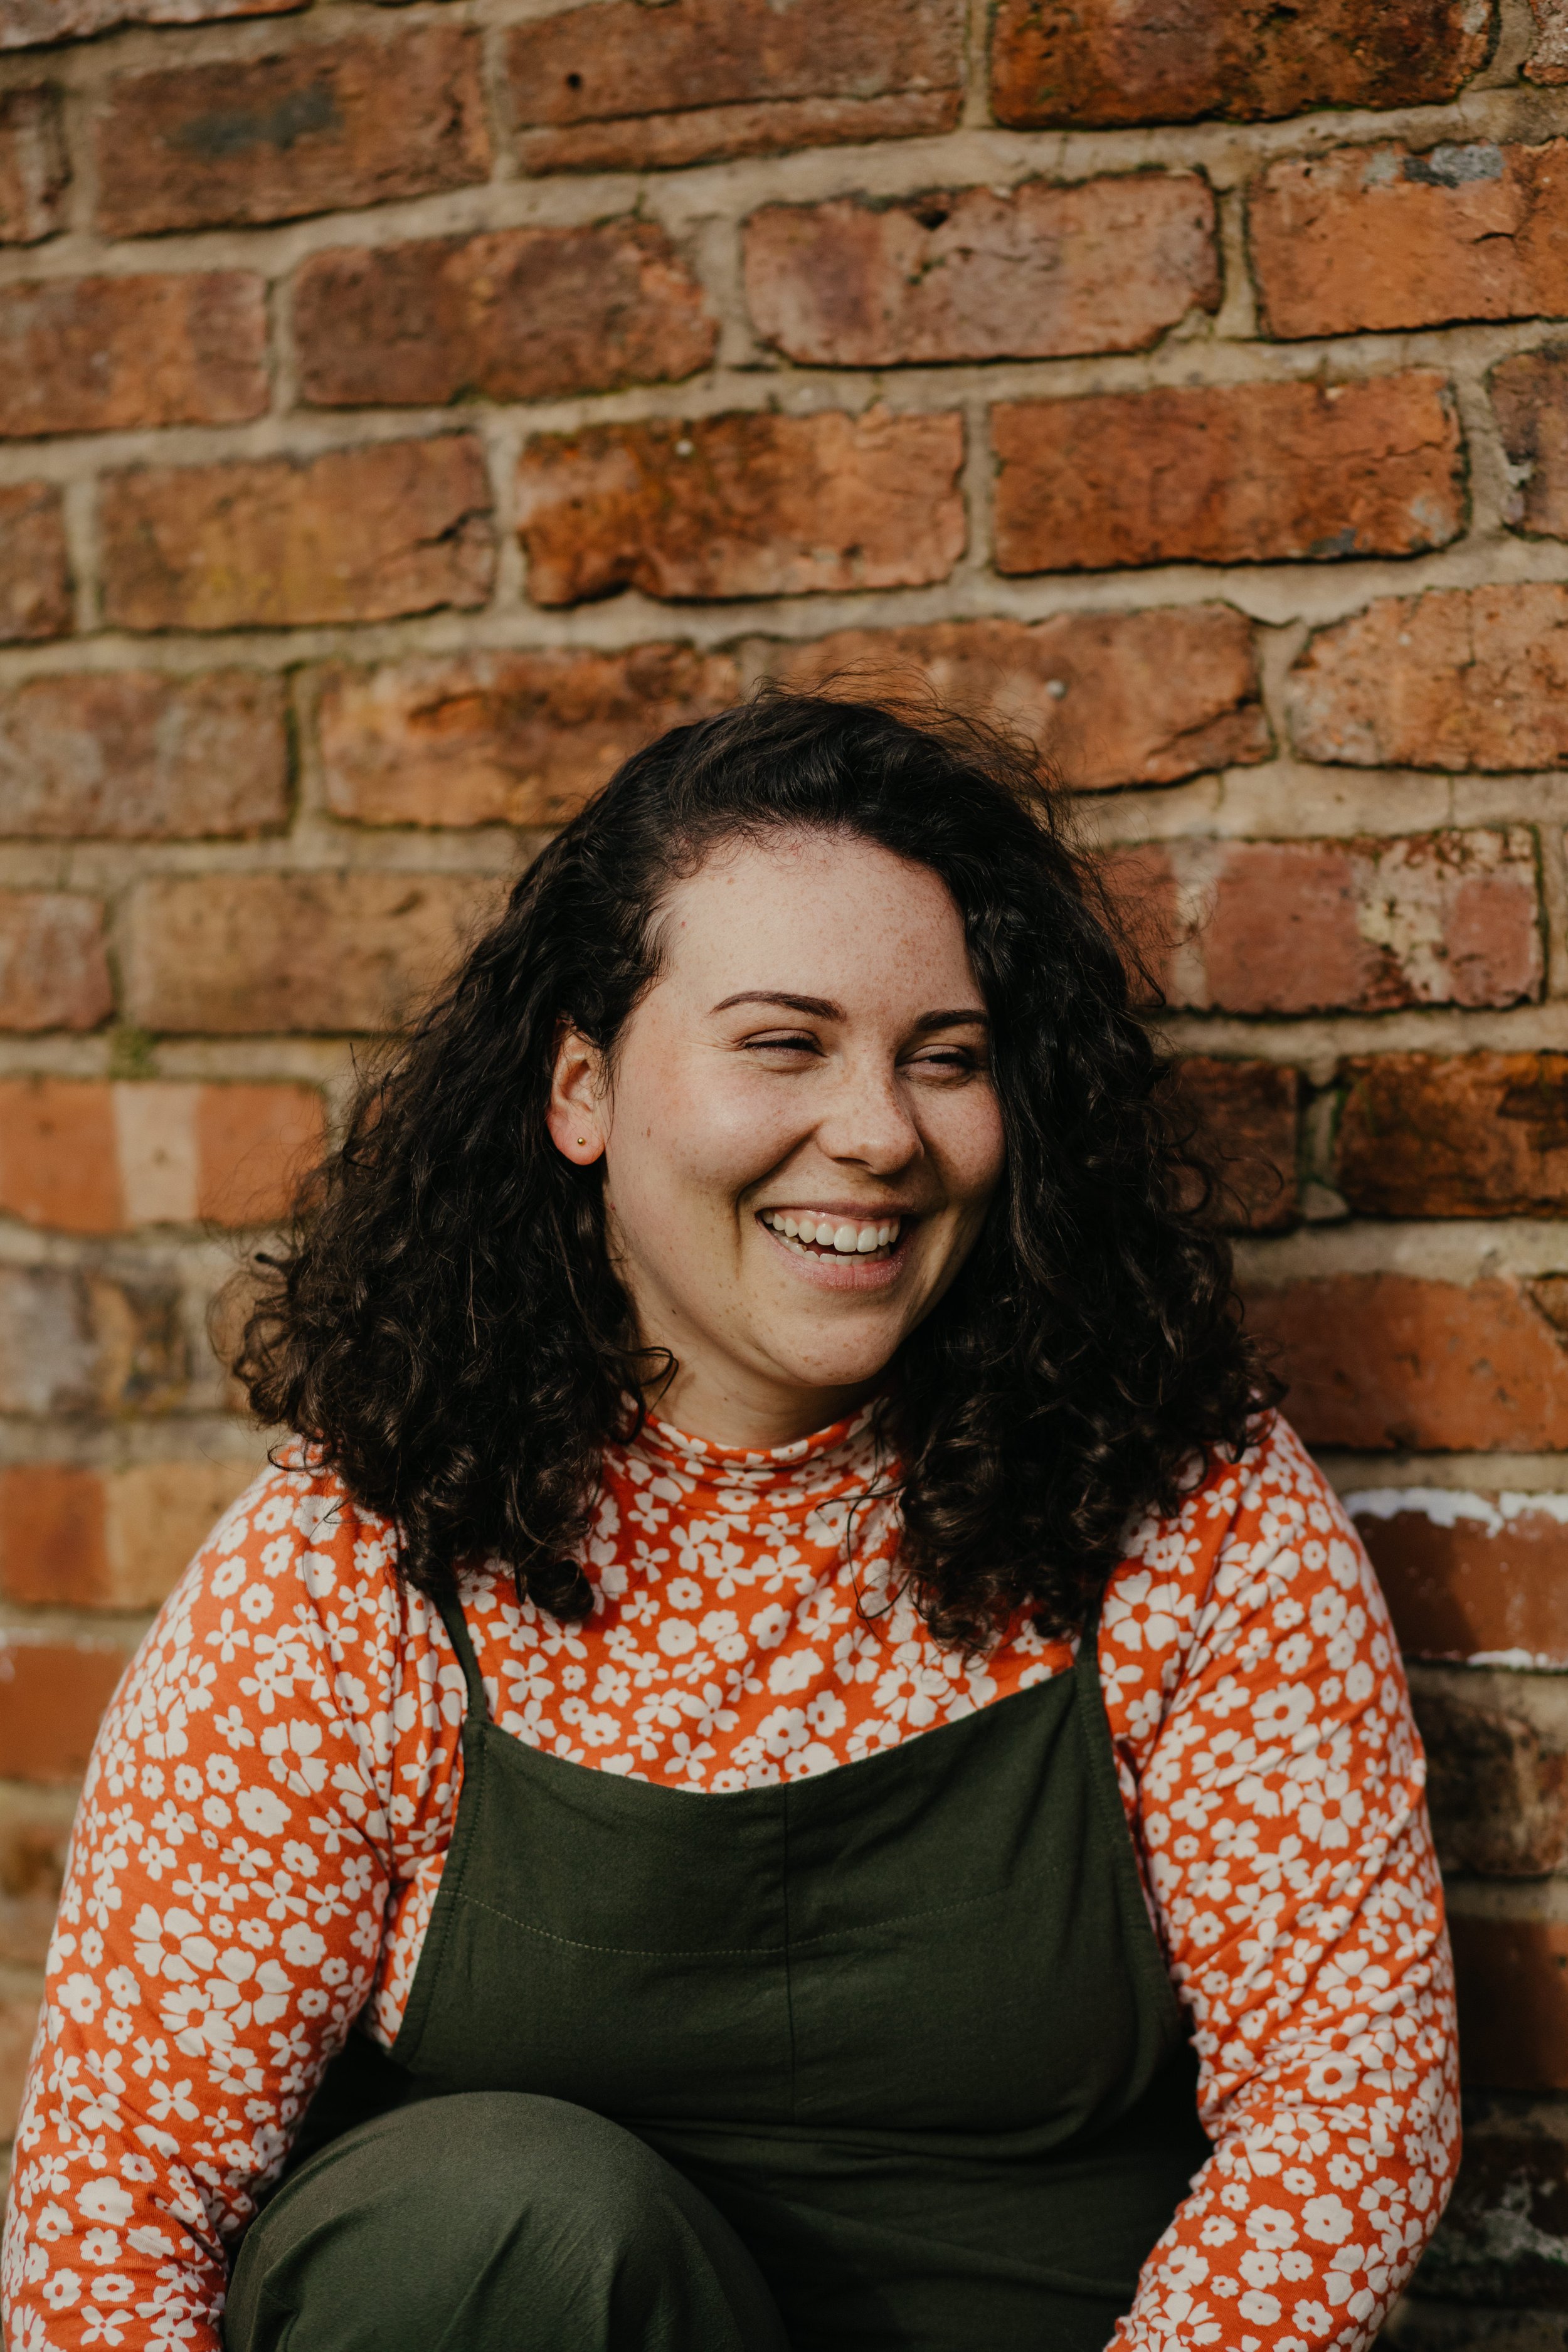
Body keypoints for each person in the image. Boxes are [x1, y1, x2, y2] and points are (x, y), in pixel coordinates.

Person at [3, 693, 1456, 2352]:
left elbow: (1346, 2105)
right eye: (783, 1041)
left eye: (946, 1058)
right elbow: (119, 2206)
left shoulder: (1179, 1506)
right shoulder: (360, 1561)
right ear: (580, 1091)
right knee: (481, 2228)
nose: (880, 1131)